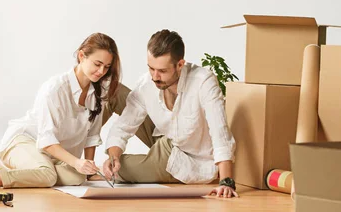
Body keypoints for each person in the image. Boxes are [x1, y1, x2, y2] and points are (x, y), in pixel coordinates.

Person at [0, 33, 121, 190]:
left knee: (76, 177)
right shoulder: (55, 89)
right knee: (47, 175)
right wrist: (76, 161)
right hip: (24, 141)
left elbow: (91, 135)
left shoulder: (99, 93)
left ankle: (0, 172)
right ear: (81, 56)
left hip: (53, 154)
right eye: (97, 64)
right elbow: (46, 140)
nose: (101, 72)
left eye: (106, 67)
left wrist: (87, 167)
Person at [101, 29, 239, 198]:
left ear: (180, 65)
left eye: (162, 71)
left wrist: (226, 181)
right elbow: (124, 126)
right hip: (163, 136)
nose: (155, 76)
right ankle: (78, 159)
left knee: (122, 168)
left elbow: (220, 133)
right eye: (151, 68)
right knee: (113, 90)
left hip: (186, 157)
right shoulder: (147, 83)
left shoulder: (203, 82)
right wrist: (113, 155)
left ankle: (145, 163)